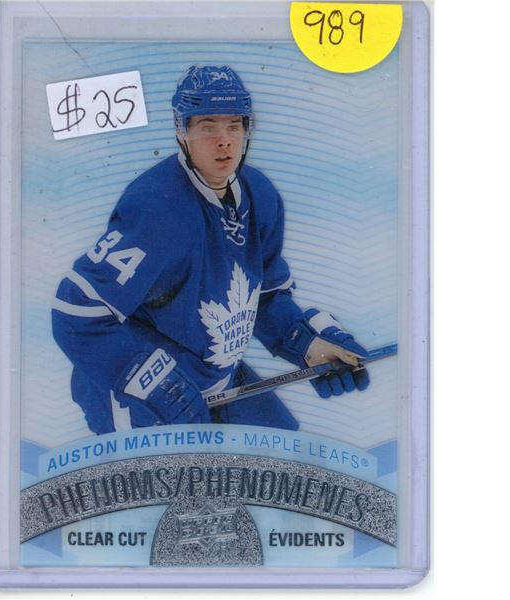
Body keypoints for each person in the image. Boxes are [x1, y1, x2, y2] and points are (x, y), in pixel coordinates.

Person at [52, 65, 369, 435]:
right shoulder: (156, 207)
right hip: (134, 394)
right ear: (181, 130)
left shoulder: (260, 195)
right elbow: (77, 312)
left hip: (214, 381)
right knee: (176, 474)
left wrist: (308, 344)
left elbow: (261, 298)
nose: (224, 141)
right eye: (207, 127)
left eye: (234, 126)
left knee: (285, 457)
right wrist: (151, 380)